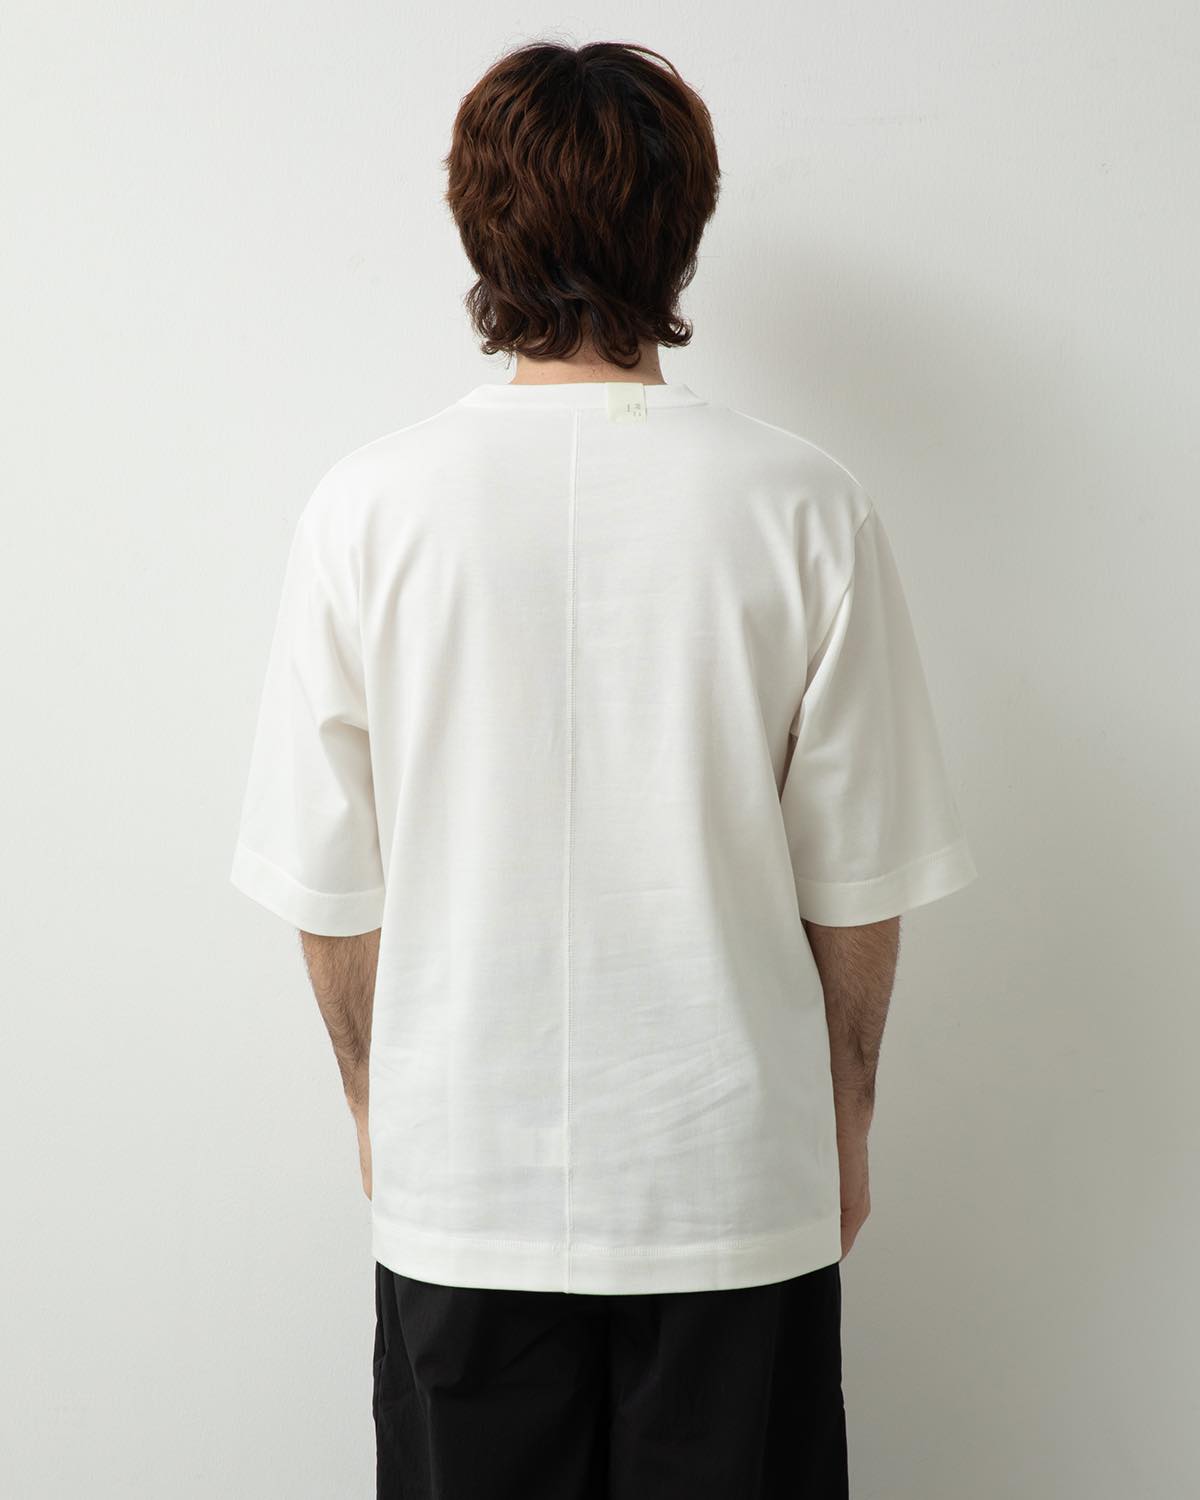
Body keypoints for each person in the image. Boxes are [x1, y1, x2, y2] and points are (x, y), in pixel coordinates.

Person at [229, 38, 978, 1500]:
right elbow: (857, 882)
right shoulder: (804, 506)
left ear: (477, 223)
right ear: (685, 227)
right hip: (733, 1179)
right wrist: (846, 1115)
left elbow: (328, 880)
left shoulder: (366, 511)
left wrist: (380, 1104)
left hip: (462, 1181)